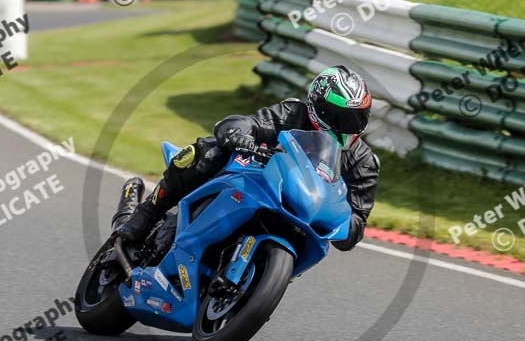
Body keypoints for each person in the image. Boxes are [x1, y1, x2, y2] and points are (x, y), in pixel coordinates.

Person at [112, 66, 380, 253]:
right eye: (341, 118)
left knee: (315, 244)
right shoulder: (292, 113)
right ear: (319, 108)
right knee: (207, 152)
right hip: (259, 184)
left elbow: (356, 225)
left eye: (358, 118)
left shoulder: (364, 162)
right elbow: (244, 123)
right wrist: (240, 136)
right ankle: (147, 213)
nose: (349, 127)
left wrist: (343, 220)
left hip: (301, 216)